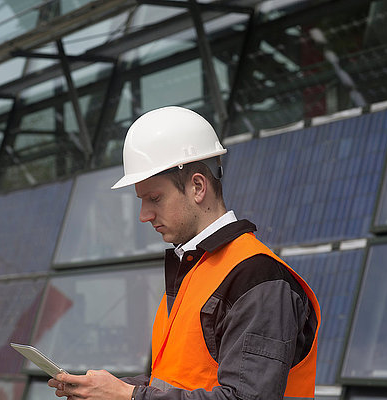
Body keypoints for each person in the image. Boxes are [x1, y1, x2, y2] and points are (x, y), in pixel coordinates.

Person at [48, 106, 321, 400]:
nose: (144, 215)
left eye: (154, 198)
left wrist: (130, 397)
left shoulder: (258, 278)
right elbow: (176, 380)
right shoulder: (194, 270)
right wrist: (106, 390)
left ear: (198, 186)